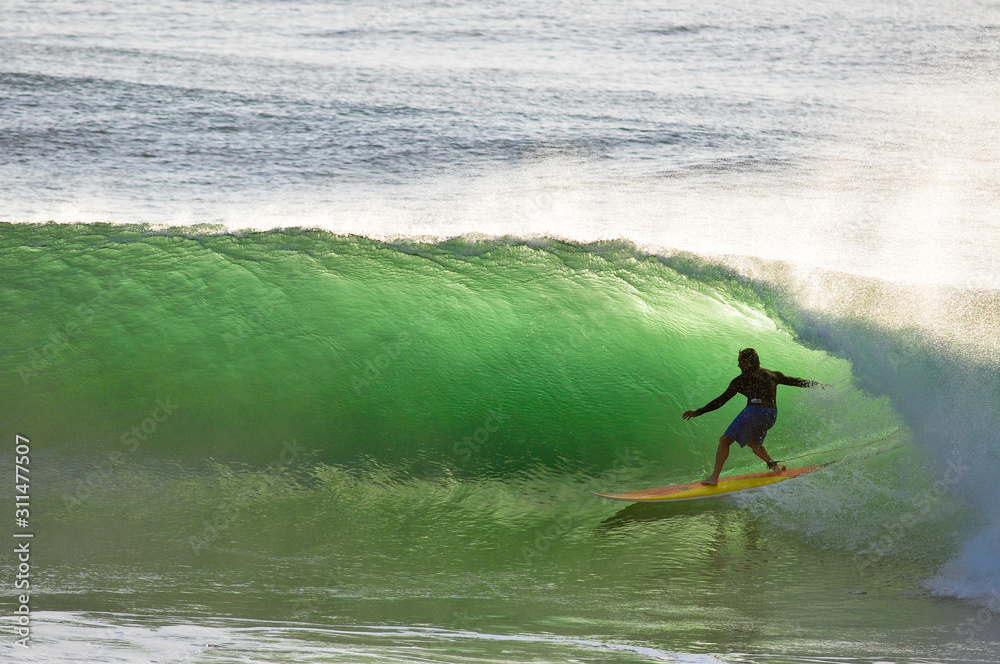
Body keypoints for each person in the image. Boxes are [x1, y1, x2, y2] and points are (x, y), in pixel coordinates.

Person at [682, 348, 820, 486]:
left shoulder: (741, 380)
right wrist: (820, 386)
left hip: (755, 411)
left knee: (724, 441)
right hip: (772, 414)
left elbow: (721, 400)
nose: (738, 366)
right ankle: (774, 467)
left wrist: (699, 411)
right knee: (753, 443)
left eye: (740, 362)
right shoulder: (773, 374)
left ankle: (713, 478)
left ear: (747, 362)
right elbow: (797, 381)